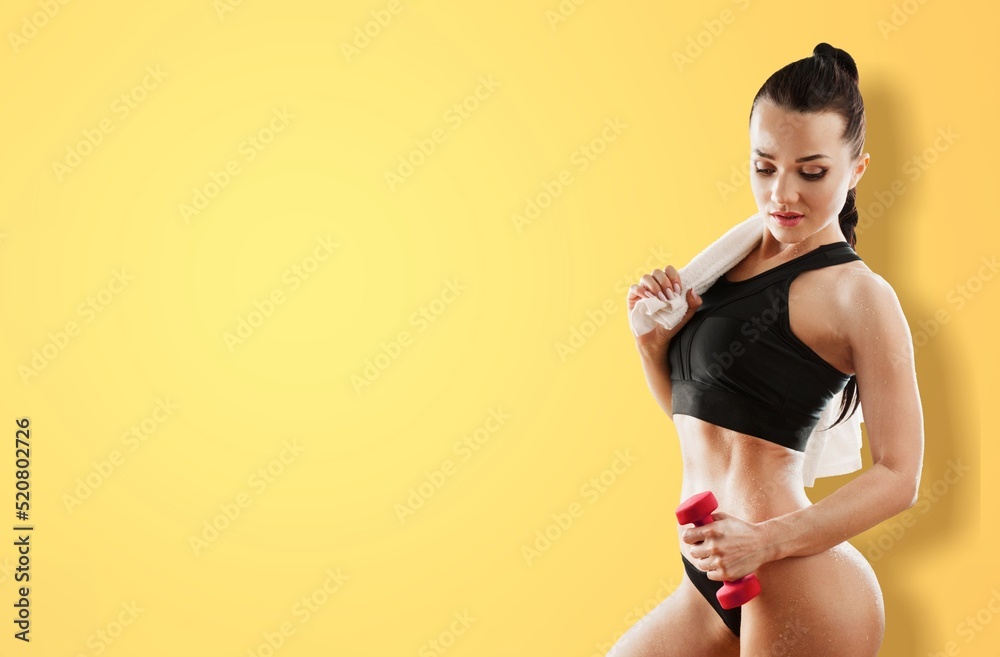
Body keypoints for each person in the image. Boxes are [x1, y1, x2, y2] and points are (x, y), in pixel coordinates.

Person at [611, 43, 924, 656]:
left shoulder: (858, 295)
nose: (783, 193)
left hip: (794, 576)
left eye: (812, 172)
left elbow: (899, 477)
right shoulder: (724, 269)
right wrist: (653, 346)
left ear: (855, 170)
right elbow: (703, 424)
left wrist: (766, 543)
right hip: (710, 576)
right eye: (764, 167)